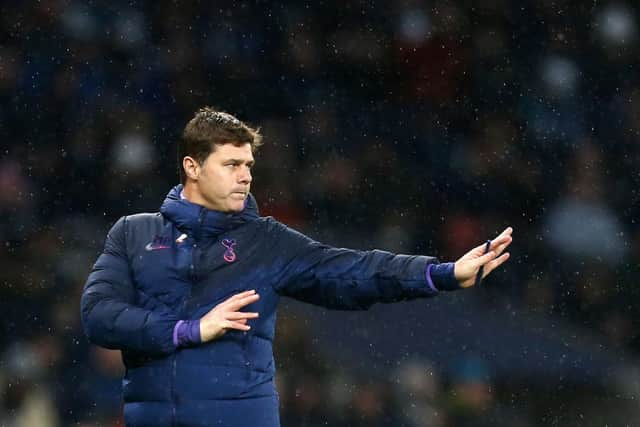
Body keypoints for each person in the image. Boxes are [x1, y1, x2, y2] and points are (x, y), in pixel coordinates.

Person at [80, 107, 513, 427]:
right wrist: (189, 329)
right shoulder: (134, 234)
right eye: (231, 165)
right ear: (192, 167)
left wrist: (439, 274)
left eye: (248, 165)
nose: (246, 176)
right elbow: (98, 316)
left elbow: (353, 271)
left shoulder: (268, 242)